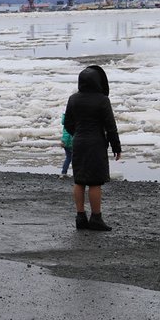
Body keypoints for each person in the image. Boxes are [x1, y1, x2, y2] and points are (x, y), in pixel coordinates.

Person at [63, 65, 121, 231]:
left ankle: (80, 217)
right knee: (95, 182)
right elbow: (111, 126)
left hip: (79, 142)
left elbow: (67, 123)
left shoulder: (73, 99)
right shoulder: (102, 100)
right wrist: (116, 146)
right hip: (96, 143)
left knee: (79, 180)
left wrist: (78, 133)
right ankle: (96, 218)